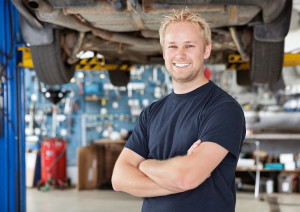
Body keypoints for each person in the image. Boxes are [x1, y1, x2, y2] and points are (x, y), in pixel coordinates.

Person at [112, 8, 246, 212]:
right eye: (172, 46)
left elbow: (185, 178)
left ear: (206, 50)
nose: (180, 54)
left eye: (190, 45)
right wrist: (174, 177)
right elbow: (119, 178)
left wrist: (145, 165)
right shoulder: (151, 113)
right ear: (164, 52)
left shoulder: (224, 109)